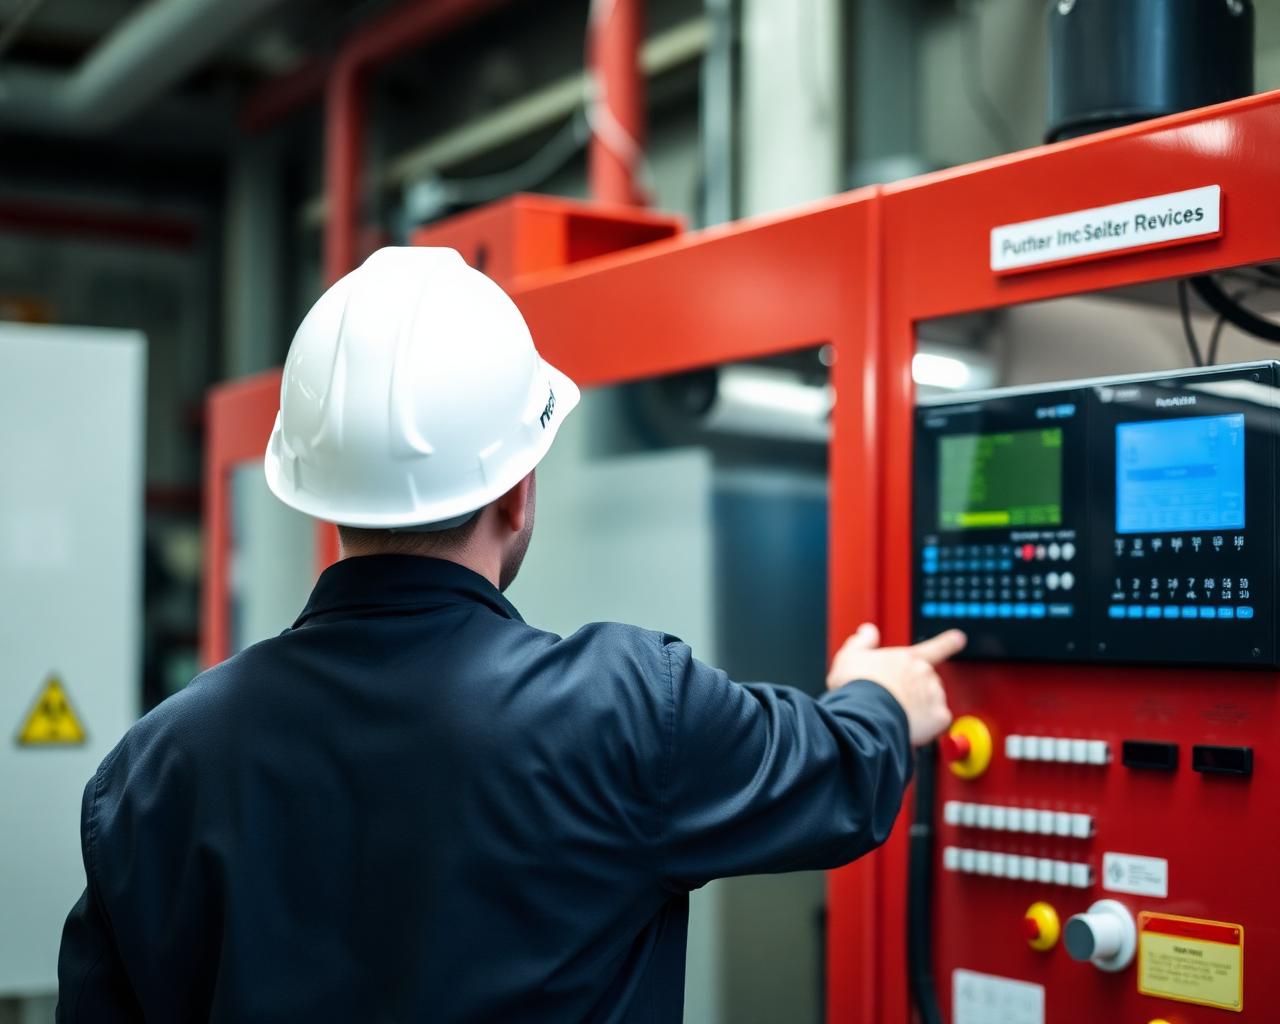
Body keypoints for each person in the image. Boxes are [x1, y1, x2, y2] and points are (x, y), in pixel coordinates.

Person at [57, 247, 964, 1022]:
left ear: (313, 491)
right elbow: (837, 772)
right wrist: (885, 696)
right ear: (519, 488)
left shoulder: (154, 771)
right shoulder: (629, 710)